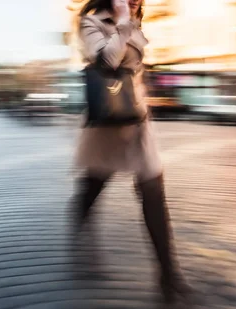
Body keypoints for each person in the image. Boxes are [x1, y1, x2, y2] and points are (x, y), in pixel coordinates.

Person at [71, 0, 192, 304]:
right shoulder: (90, 22)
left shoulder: (136, 18)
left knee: (153, 192)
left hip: (137, 121)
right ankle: (77, 226)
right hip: (107, 125)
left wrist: (129, 21)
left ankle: (169, 274)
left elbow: (135, 69)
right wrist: (124, 21)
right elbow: (106, 63)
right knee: (93, 185)